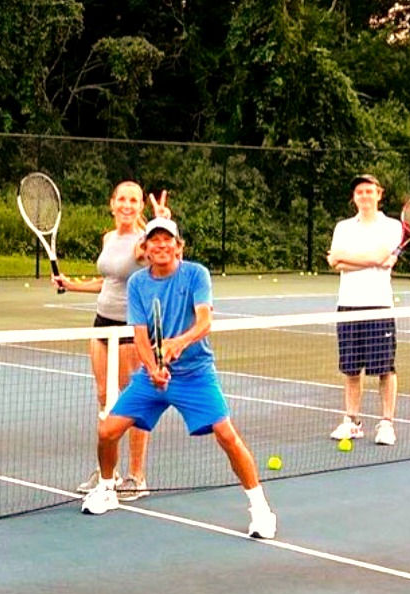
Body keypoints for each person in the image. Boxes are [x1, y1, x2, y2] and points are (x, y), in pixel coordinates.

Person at [80, 217, 277, 539]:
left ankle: (261, 509)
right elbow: (140, 335)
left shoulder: (196, 274)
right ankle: (106, 488)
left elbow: (204, 322)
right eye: (154, 240)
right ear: (145, 249)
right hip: (152, 377)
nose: (161, 245)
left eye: (167, 239)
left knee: (227, 435)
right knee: (107, 431)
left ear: (178, 246)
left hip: (195, 374)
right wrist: (153, 368)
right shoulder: (138, 283)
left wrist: (178, 343)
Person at [54, 181, 171, 501]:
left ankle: (136, 476)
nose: (127, 205)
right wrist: (72, 285)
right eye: (122, 199)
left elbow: (168, 255)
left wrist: (163, 222)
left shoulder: (144, 242)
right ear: (112, 203)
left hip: (131, 329)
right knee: (105, 398)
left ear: (141, 207)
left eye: (134, 200)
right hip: (101, 325)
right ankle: (108, 472)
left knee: (133, 401)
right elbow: (108, 280)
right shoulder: (108, 238)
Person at [326, 173, 403, 446]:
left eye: (369, 191)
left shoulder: (392, 226)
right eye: (360, 192)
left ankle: (386, 424)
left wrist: (347, 258)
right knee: (350, 369)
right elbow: (334, 262)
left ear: (379, 194)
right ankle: (352, 421)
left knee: (385, 369)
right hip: (348, 305)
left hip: (379, 306)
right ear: (354, 197)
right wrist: (371, 260)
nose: (365, 196)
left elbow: (381, 257)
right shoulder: (343, 227)